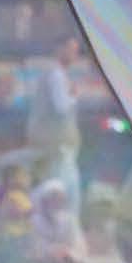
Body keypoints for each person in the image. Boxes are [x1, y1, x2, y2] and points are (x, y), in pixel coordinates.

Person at [25, 35, 82, 215]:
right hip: (57, 151)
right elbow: (61, 108)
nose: (75, 55)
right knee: (66, 202)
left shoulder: (56, 74)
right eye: (71, 50)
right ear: (60, 49)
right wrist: (73, 95)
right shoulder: (56, 75)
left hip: (57, 150)